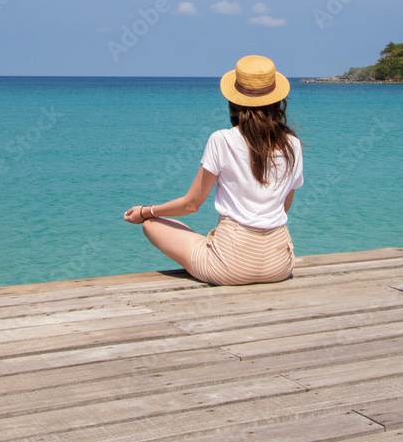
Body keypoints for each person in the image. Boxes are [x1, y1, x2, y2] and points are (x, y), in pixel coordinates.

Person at [123, 55, 303, 285]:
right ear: (276, 100)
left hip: (231, 266)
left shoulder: (222, 139)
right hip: (279, 265)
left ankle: (215, 246)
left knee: (152, 224)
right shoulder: (292, 144)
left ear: (235, 100)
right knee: (194, 234)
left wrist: (146, 211)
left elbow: (191, 204)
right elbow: (284, 206)